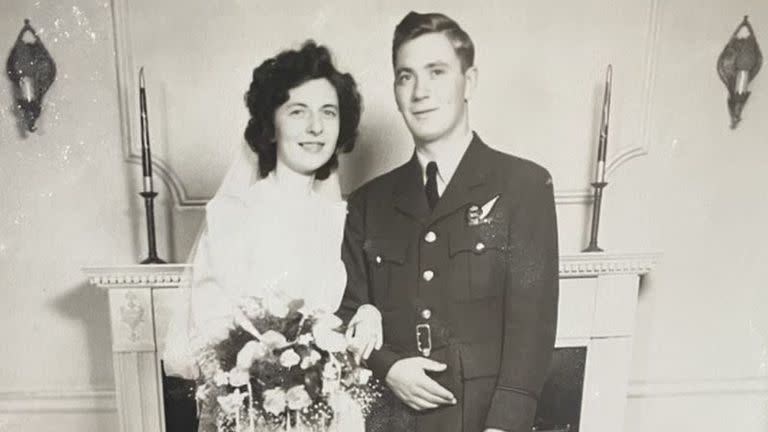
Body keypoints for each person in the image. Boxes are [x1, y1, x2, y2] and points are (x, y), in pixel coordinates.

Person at [339, 12, 559, 432]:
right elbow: (349, 308)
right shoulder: (369, 202)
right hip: (389, 419)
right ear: (396, 90)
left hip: (481, 419)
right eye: (406, 77)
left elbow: (532, 324)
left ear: (469, 81)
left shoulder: (523, 185)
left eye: (436, 72)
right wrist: (387, 367)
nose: (420, 91)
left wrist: (504, 425)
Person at [162, 40, 382, 431]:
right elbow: (209, 336)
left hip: (332, 413)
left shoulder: (340, 217)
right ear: (271, 123)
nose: (316, 127)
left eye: (328, 113)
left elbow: (345, 308)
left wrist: (367, 313)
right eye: (298, 112)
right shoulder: (234, 215)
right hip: (255, 415)